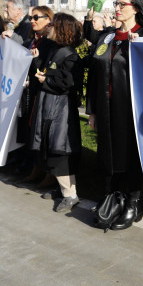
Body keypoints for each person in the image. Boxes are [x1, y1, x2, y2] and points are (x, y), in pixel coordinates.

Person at [86, 0, 143, 230]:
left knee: (131, 155)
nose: (117, 8)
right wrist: (92, 110)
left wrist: (142, 49)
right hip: (106, 108)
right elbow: (95, 74)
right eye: (116, 3)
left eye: (122, 4)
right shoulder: (108, 37)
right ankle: (113, 197)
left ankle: (133, 202)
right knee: (109, 153)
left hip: (132, 110)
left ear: (135, 8)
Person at [29, 13, 84, 213]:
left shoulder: (70, 55)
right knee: (50, 145)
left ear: (61, 29)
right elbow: (50, 73)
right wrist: (38, 65)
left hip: (61, 109)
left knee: (61, 148)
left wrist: (47, 81)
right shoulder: (55, 50)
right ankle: (61, 189)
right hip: (49, 105)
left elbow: (68, 83)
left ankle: (71, 195)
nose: (48, 27)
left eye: (52, 24)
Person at [19, 6, 55, 184]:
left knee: (44, 132)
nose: (32, 20)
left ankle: (49, 171)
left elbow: (46, 68)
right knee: (34, 130)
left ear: (48, 19)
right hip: (31, 92)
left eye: (36, 17)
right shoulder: (31, 40)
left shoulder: (50, 42)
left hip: (46, 92)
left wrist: (35, 61)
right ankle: (37, 166)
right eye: (30, 18)